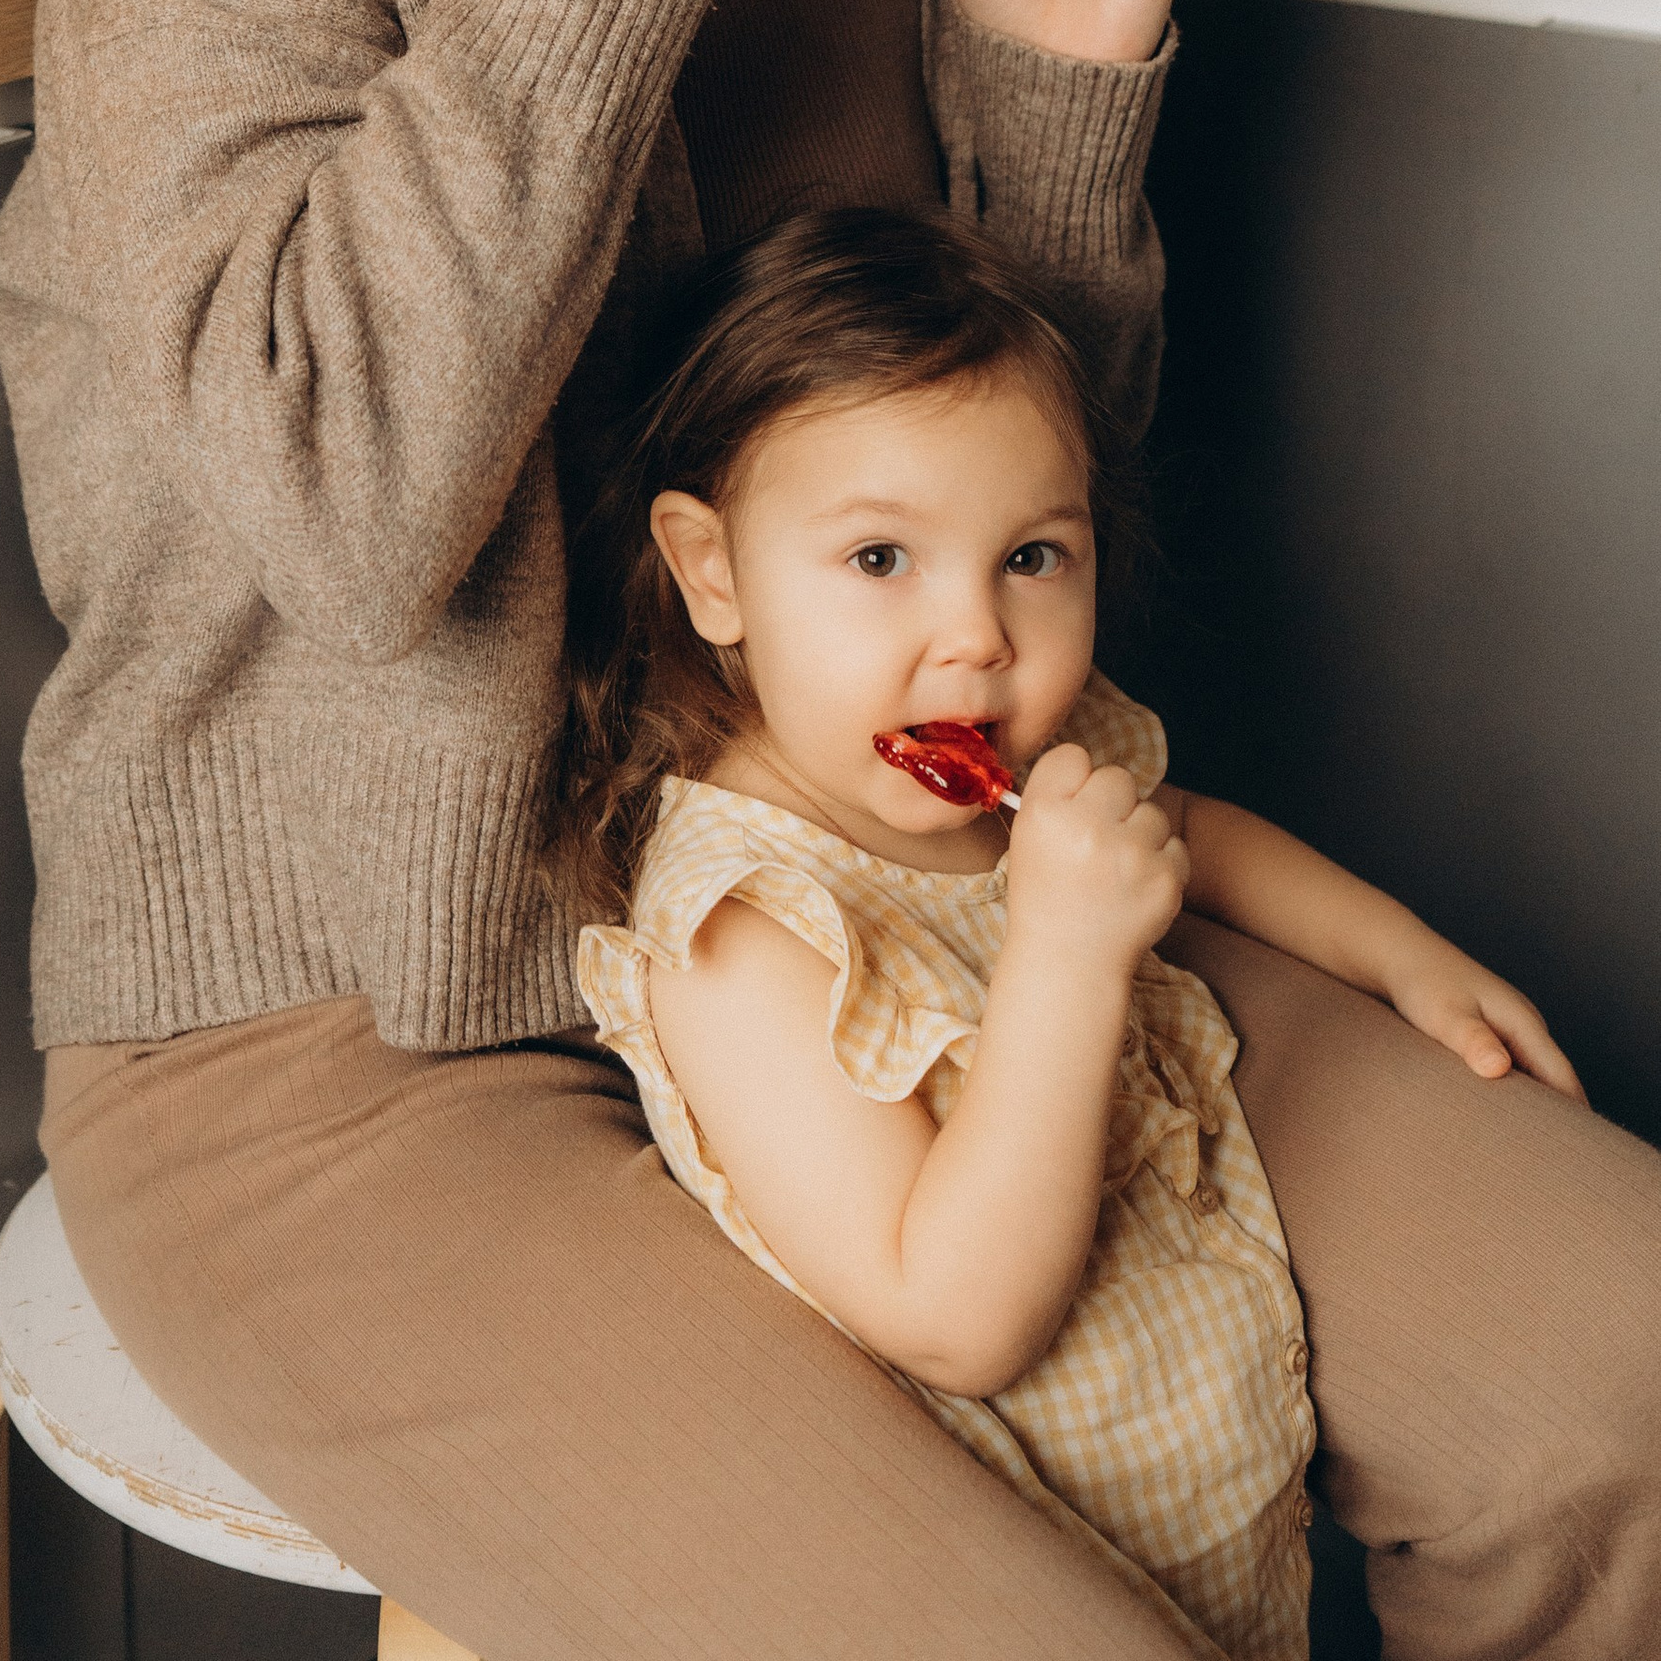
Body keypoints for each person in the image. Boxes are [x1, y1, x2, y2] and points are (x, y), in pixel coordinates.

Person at [0, 0, 1661, 1661]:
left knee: (1623, 1383)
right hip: (360, 1041)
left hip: (917, 896)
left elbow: (1004, 539)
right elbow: (351, 507)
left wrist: (1052, 69)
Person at [570, 204, 1586, 1661]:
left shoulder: (1004, 759)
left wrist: (1402, 956)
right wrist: (1062, 953)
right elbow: (954, 1319)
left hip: (1228, 1496)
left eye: (1033, 556)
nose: (976, 635)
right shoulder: (745, 934)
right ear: (713, 573)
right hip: (1048, 1548)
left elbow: (1185, 831)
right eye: (878, 561)